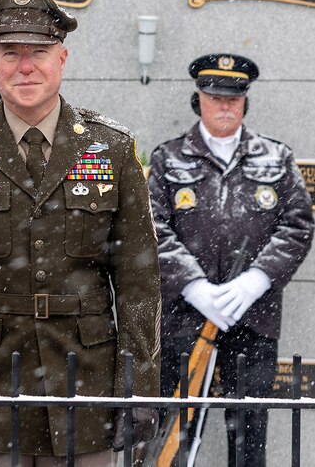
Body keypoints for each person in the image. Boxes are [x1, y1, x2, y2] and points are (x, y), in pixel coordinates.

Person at [0, 0, 161, 466]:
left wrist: (139, 386)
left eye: (39, 52)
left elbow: (138, 281)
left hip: (85, 385)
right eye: (10, 53)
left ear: (62, 58)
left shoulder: (110, 149)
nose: (25, 67)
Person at [148, 53, 313, 466]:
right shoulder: (169, 159)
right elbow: (153, 229)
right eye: (215, 97)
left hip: (253, 317)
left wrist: (255, 280)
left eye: (234, 98)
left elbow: (297, 227)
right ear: (198, 99)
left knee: (250, 432)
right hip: (186, 318)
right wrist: (194, 286)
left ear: (245, 102)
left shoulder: (276, 158)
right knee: (177, 433)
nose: (225, 106)